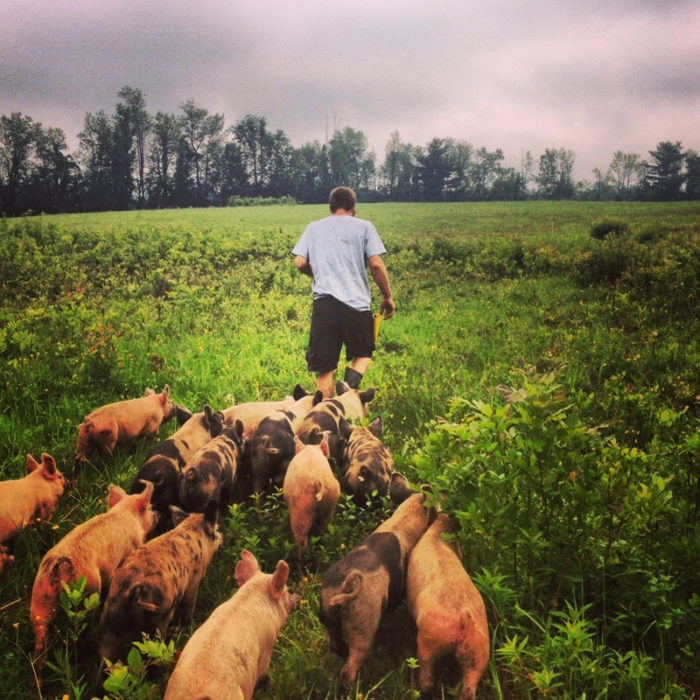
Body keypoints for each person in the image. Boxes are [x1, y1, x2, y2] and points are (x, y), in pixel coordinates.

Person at [292, 186, 395, 398]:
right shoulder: (365, 227)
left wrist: (320, 274)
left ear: (330, 206)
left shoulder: (314, 228)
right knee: (364, 353)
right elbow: (376, 264)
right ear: (353, 207)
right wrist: (387, 296)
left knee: (325, 367)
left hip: (324, 305)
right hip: (356, 304)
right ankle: (346, 391)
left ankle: (324, 422)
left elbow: (300, 262)